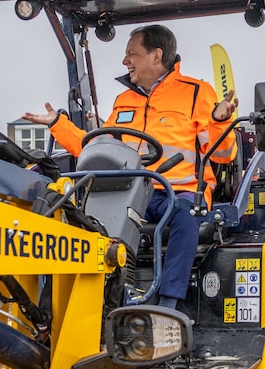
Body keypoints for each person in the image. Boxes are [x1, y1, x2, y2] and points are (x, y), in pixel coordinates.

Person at [23, 24, 237, 310]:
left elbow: (223, 155)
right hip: (129, 190)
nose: (125, 61)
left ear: (156, 56)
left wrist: (220, 121)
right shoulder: (124, 100)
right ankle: (84, 305)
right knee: (79, 222)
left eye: (131, 54)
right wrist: (57, 124)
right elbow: (96, 148)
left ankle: (168, 305)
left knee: (185, 220)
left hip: (178, 192)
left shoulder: (197, 93)